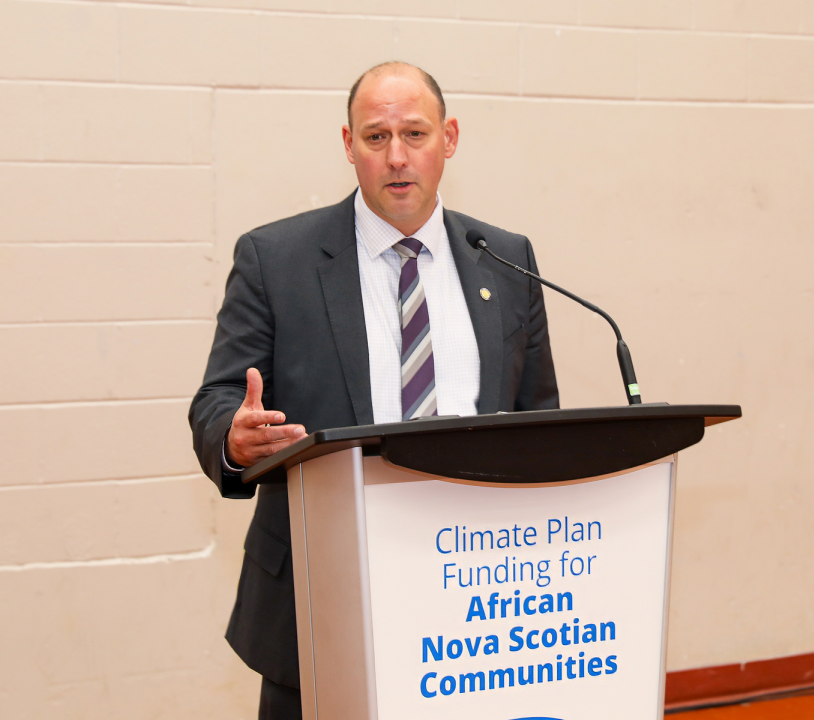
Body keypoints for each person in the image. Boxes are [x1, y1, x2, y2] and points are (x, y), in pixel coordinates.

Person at [188, 62, 559, 719]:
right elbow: (219, 400)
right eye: (376, 137)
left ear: (448, 139)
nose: (396, 157)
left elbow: (538, 417)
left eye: (414, 134)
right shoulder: (276, 259)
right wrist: (235, 439)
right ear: (348, 144)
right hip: (321, 595)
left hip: (474, 596)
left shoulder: (504, 258)